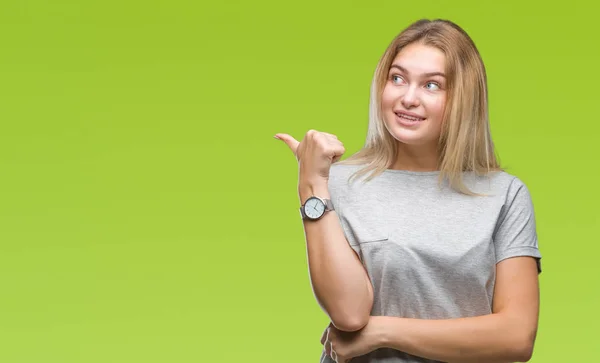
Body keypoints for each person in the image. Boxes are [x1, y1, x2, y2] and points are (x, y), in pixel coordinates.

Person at [274, 18, 542, 363]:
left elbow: (516, 338)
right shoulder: (337, 184)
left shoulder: (505, 195)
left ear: (464, 98)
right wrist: (311, 185)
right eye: (397, 78)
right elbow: (350, 314)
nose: (408, 98)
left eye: (432, 85)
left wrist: (383, 332)